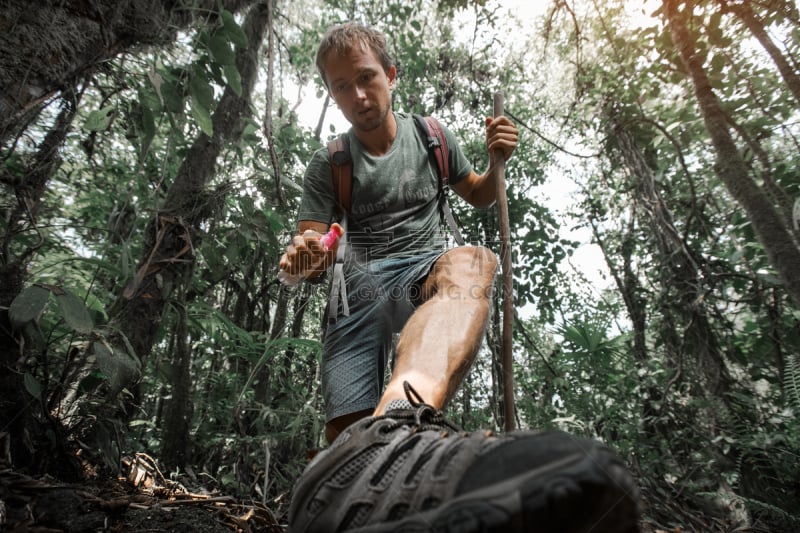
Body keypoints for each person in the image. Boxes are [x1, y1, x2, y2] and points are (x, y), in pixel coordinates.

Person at [280, 22, 639, 533]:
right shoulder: (330, 163)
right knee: (347, 445)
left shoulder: (431, 136)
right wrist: (304, 256)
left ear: (391, 74)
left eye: (366, 77)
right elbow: (313, 248)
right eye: (342, 86)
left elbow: (481, 193)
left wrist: (498, 162)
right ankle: (355, 485)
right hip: (359, 287)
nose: (357, 95)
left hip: (426, 266)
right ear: (332, 93)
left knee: (471, 263)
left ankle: (400, 424)